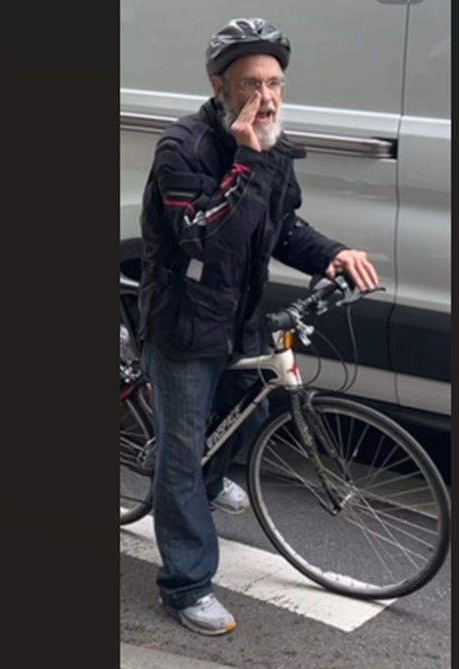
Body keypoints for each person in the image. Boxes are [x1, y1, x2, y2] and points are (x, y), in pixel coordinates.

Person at [134, 17, 379, 636]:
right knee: (180, 458)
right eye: (250, 84)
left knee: (252, 407)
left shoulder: (271, 146)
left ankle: (208, 480)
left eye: (274, 84)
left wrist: (332, 253)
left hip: (239, 316)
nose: (266, 98)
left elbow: (282, 226)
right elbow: (209, 241)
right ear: (219, 86)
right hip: (185, 323)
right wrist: (247, 158)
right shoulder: (183, 148)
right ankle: (185, 586)